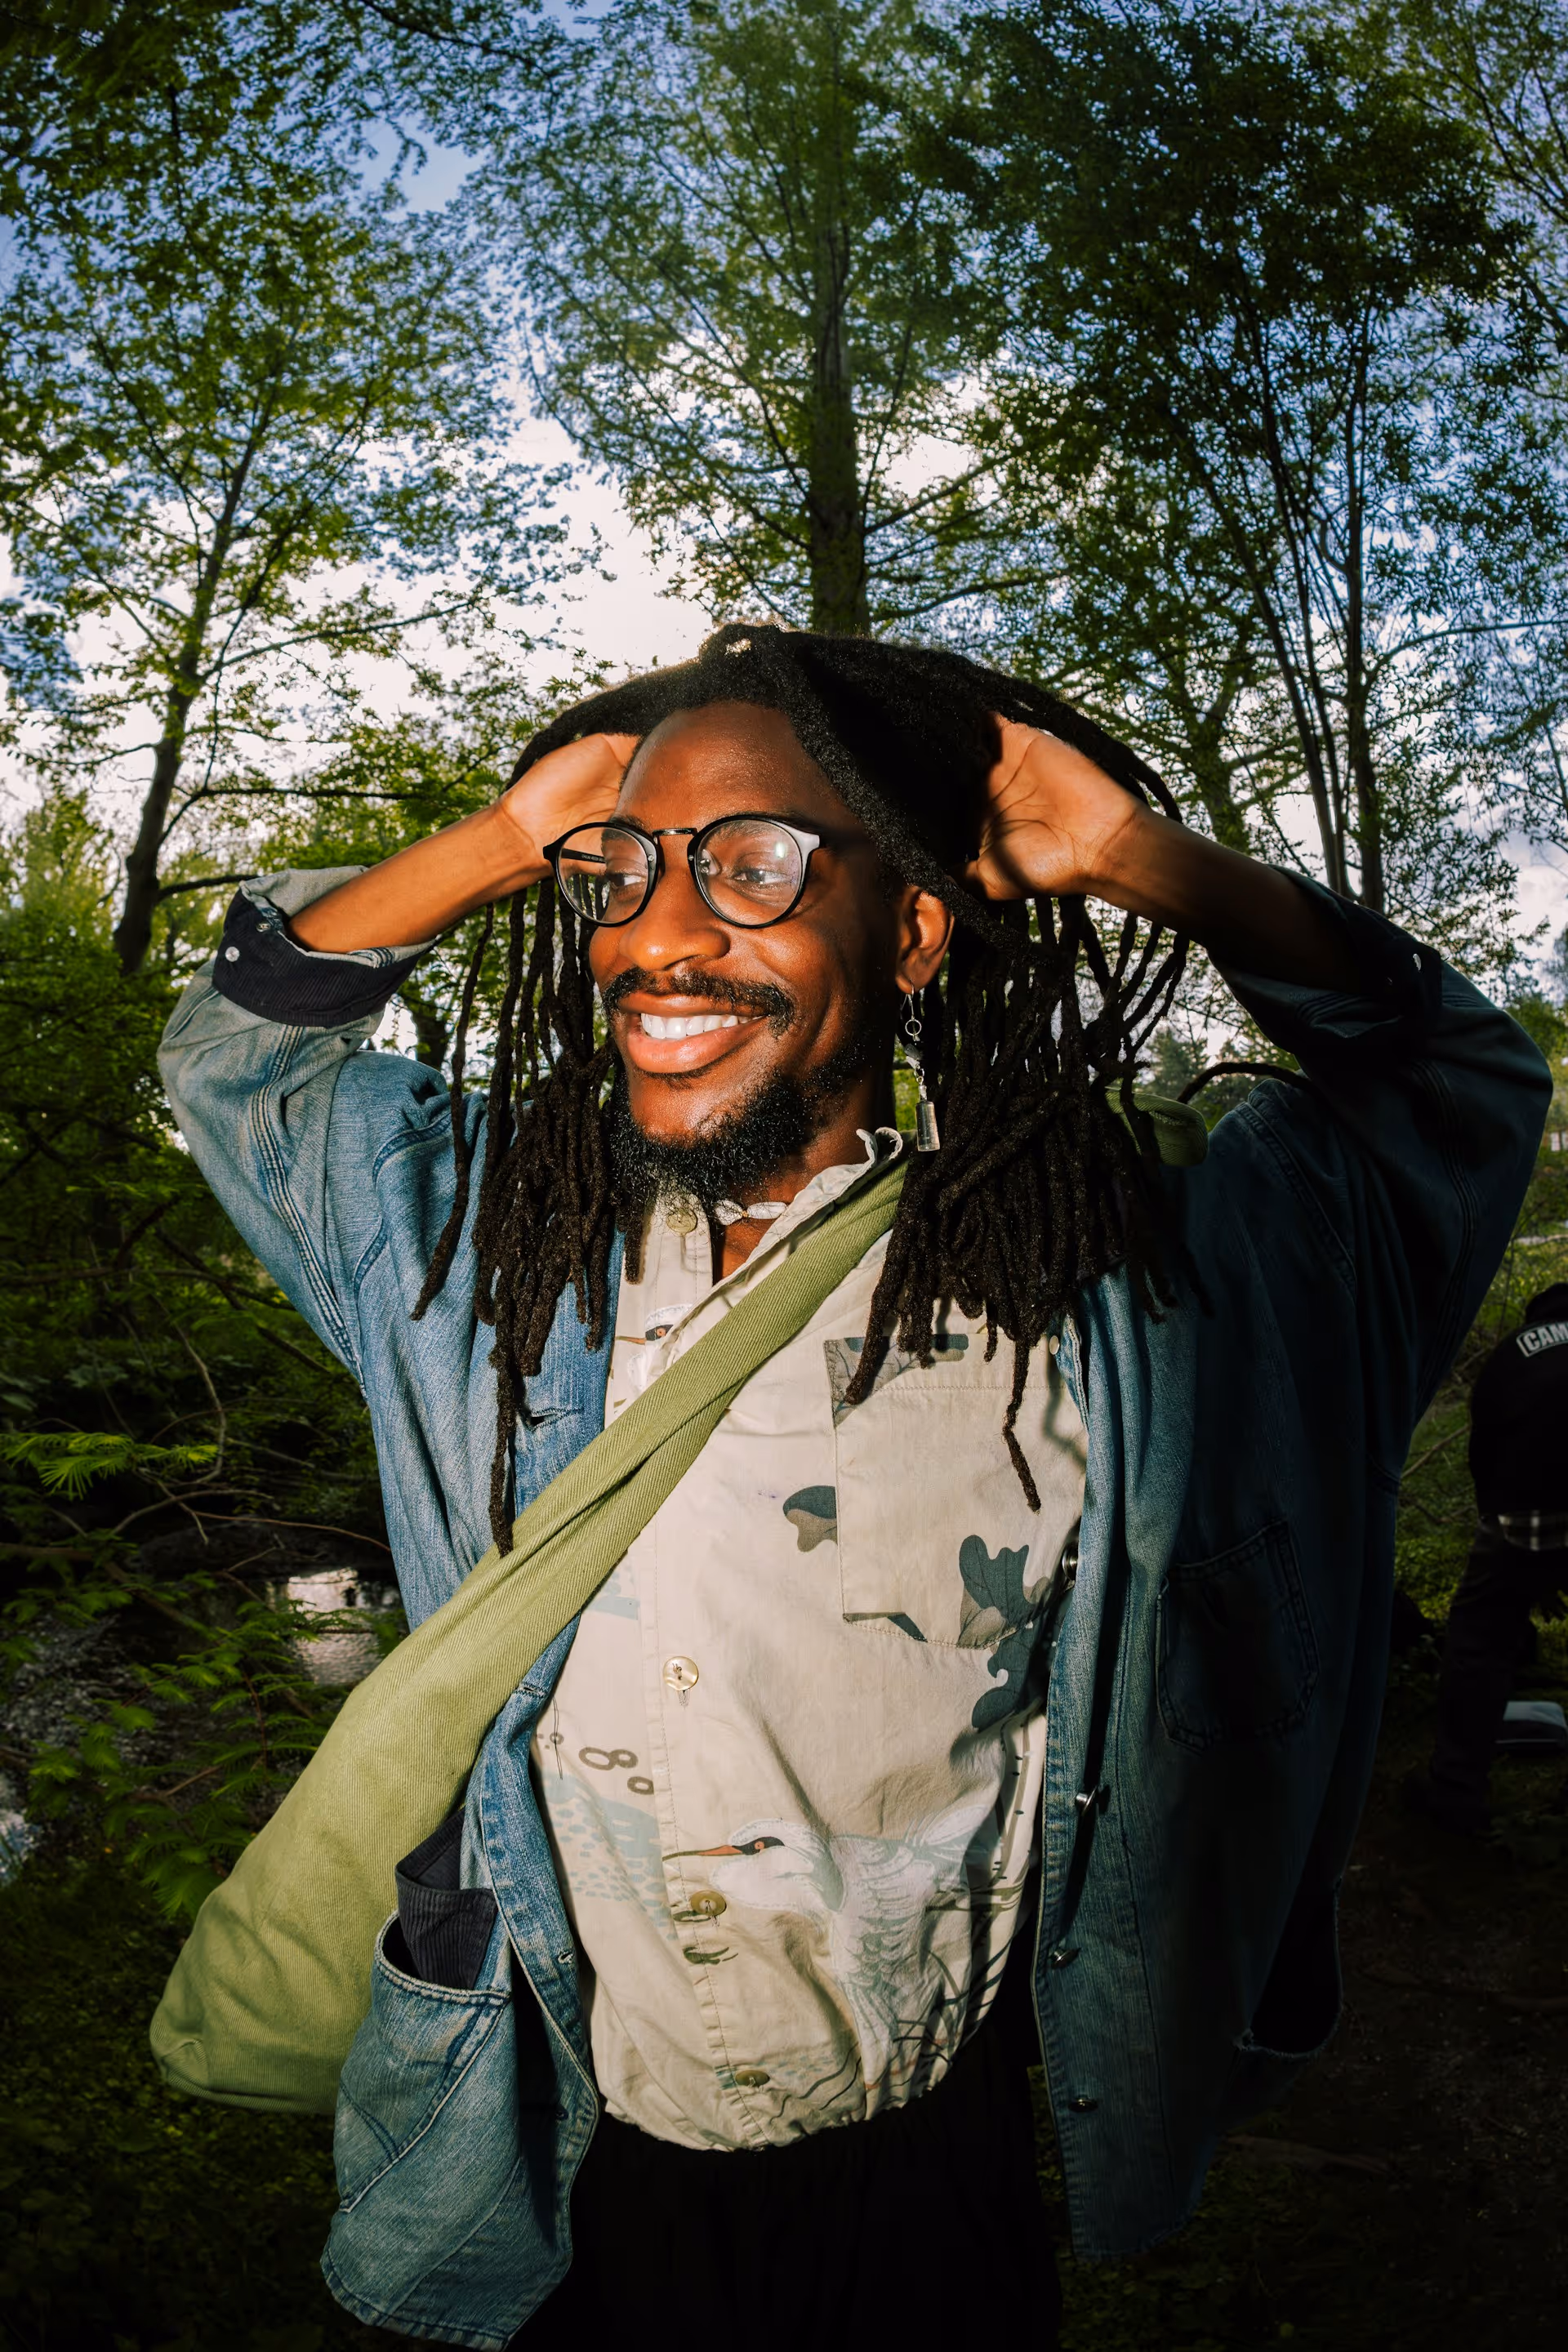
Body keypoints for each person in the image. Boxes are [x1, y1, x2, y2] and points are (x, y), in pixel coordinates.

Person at [158, 625, 1546, 2350]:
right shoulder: (479, 1263)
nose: (660, 933)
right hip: (566, 2148)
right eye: (620, 875)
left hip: (932, 2166)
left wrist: (1136, 859)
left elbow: (1454, 1089)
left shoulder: (1124, 1280)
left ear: (908, 933)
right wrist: (510, 837)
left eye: (754, 865)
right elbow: (238, 1059)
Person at [1406, 1282, 1568, 1837]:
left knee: (1479, 1640)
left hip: (1521, 1510)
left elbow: (1484, 1452)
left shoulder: (1515, 1352)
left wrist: (1512, 1545)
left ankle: (1455, 1793)